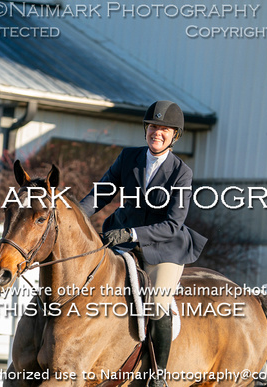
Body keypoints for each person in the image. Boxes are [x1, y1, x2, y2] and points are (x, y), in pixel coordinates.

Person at [79, 100, 207, 387]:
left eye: (163, 128)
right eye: (152, 126)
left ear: (175, 135)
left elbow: (173, 224)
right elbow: (100, 195)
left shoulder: (181, 173)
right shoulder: (128, 158)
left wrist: (132, 235)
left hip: (163, 247)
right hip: (120, 237)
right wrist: (74, 217)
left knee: (158, 303)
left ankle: (157, 375)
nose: (156, 132)